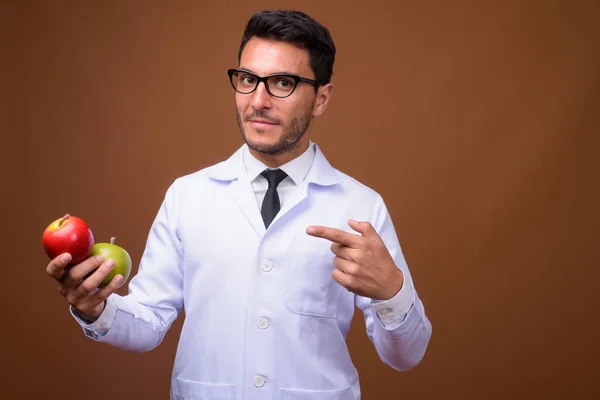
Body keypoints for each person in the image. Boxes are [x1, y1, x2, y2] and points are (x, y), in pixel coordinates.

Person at [46, 9, 432, 400]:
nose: (258, 101)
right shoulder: (188, 196)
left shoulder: (361, 206)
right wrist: (96, 309)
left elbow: (405, 356)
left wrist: (392, 292)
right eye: (248, 79)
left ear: (321, 98)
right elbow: (149, 322)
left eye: (283, 82)